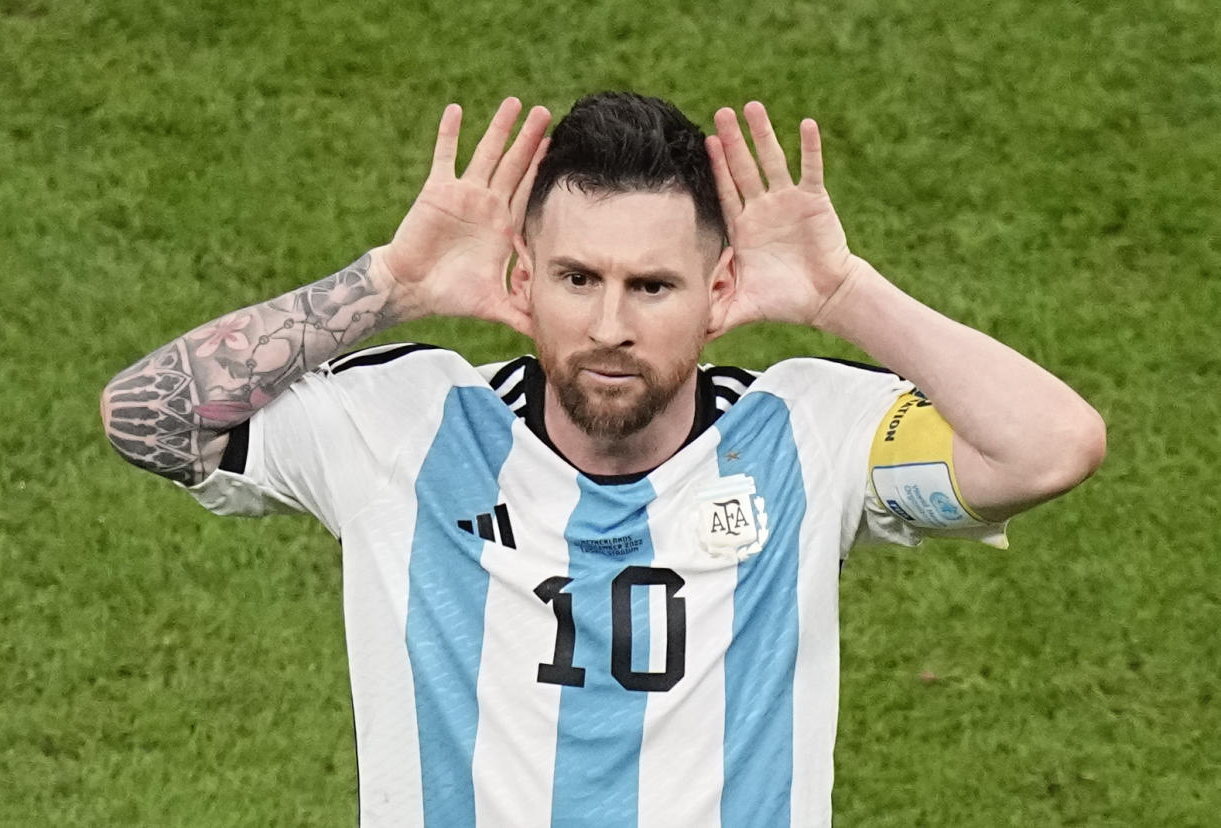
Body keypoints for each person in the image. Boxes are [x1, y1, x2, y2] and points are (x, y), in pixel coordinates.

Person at [101, 92, 1106, 827]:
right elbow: (146, 417)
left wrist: (844, 295)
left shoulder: (809, 433)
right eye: (578, 278)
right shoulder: (407, 427)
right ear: (523, 278)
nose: (611, 324)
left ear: (720, 291)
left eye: (654, 286)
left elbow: (1049, 447)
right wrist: (390, 283)